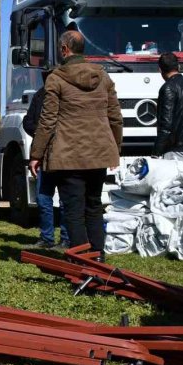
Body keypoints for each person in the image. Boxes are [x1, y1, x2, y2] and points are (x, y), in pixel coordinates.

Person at [28, 31, 122, 259]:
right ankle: (98, 256)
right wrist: (115, 149)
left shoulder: (56, 78)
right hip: (98, 152)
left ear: (64, 50)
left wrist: (36, 153)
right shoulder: (103, 76)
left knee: (73, 210)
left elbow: (48, 119)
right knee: (93, 206)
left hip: (68, 154)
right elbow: (115, 116)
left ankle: (82, 261)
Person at [23, 85, 69, 249]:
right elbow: (27, 121)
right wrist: (41, 133)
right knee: (43, 199)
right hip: (43, 156)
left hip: (64, 156)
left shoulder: (68, 93)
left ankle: (66, 239)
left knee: (65, 200)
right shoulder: (40, 95)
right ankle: (46, 237)